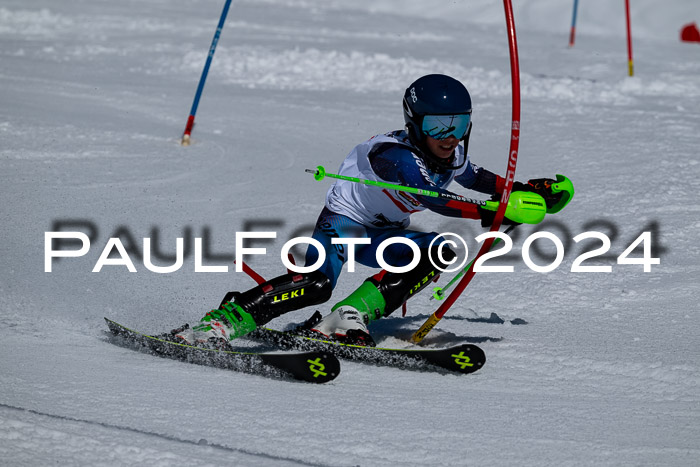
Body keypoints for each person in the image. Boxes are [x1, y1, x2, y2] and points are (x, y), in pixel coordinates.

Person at [173, 74, 568, 348]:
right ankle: (222, 322)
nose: (450, 137)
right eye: (438, 126)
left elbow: (475, 178)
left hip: (386, 234)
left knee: (437, 251)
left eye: (459, 124)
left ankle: (345, 318)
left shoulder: (451, 151)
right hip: (343, 228)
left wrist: (529, 190)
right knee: (315, 285)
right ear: (415, 123)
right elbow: (431, 197)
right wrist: (495, 213)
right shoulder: (394, 156)